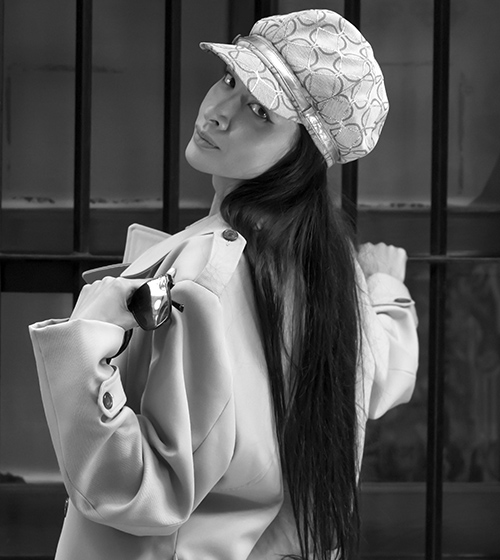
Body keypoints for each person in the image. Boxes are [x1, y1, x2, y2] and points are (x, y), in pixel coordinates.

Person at [29, 9, 418, 560]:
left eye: (260, 111)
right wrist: (388, 289)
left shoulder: (203, 279)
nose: (218, 111)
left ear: (302, 151)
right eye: (231, 79)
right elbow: (380, 377)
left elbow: (139, 491)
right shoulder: (333, 272)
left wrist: (85, 334)